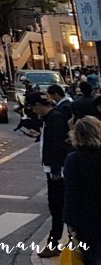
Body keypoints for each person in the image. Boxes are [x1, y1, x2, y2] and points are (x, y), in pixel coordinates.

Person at [32, 93, 72, 257]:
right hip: (53, 168)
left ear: (38, 105)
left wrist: (55, 169)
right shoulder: (51, 118)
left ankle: (54, 243)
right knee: (58, 207)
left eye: (33, 107)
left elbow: (57, 145)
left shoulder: (54, 119)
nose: (34, 111)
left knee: (58, 207)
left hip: (56, 171)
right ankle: (59, 241)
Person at [65, 116, 101, 264]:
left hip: (85, 217)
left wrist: (69, 221)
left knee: (90, 256)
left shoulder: (74, 159)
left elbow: (71, 193)